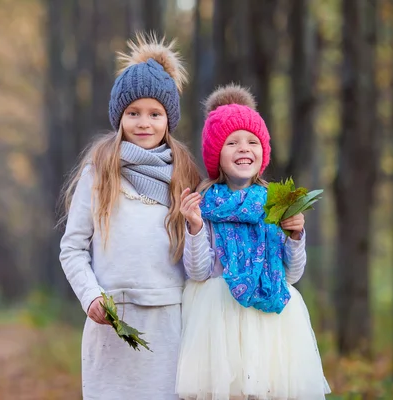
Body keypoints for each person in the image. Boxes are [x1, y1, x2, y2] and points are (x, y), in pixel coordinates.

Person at [59, 33, 200, 400]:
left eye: (155, 114)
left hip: (170, 320)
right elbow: (72, 248)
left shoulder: (184, 175)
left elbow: (198, 253)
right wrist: (91, 295)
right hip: (112, 320)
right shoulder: (100, 170)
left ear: (168, 119)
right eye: (133, 113)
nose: (144, 123)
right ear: (119, 117)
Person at [175, 84, 330, 400]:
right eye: (232, 143)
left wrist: (296, 236)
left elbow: (290, 275)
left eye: (252, 141)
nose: (243, 148)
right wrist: (193, 228)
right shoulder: (205, 204)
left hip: (268, 322)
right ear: (216, 154)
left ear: (264, 151)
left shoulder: (277, 202)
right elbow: (197, 271)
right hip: (220, 320)